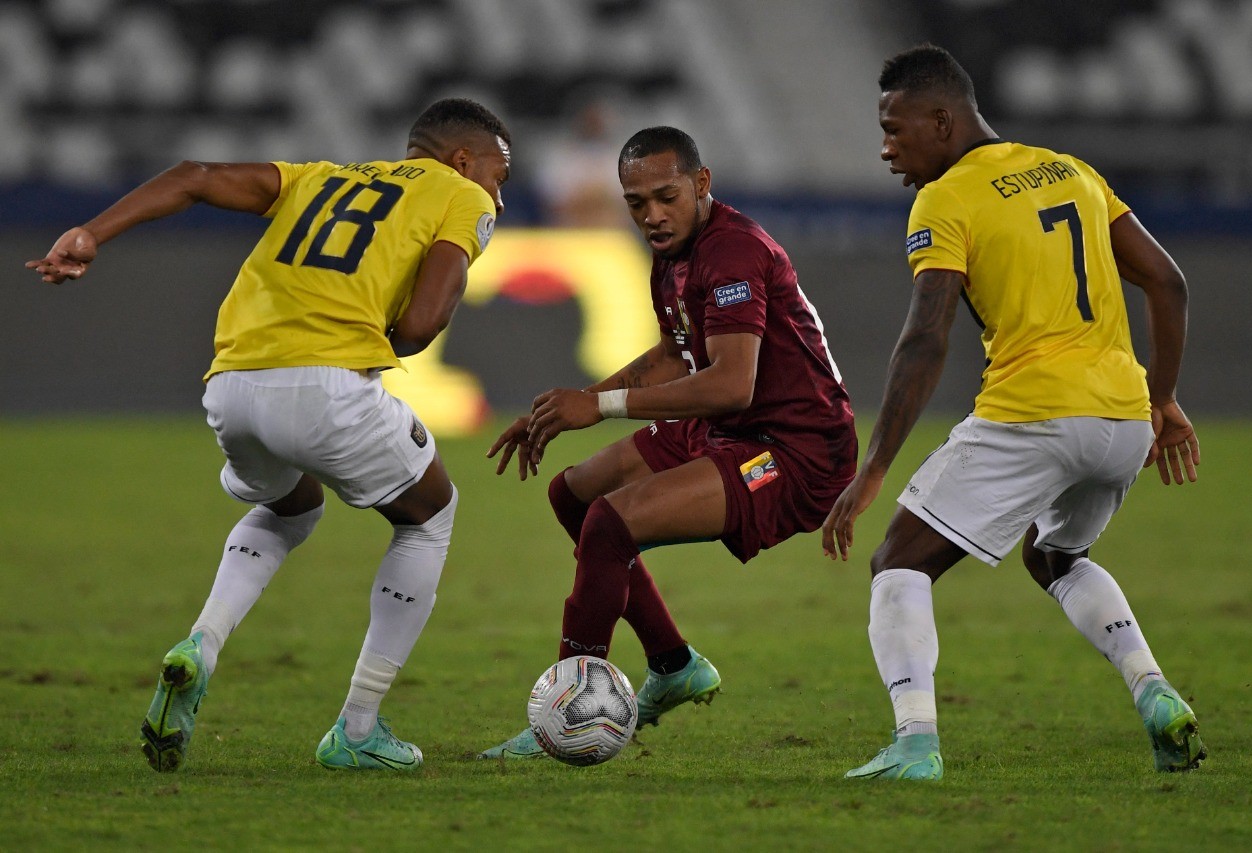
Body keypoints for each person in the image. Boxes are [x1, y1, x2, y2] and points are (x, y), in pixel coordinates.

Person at [26, 98, 512, 773]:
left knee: (293, 502)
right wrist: (378, 339)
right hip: (327, 383)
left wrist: (91, 233)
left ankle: (202, 642)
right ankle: (358, 727)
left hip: (230, 383)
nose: (500, 192)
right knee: (430, 513)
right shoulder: (462, 196)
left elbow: (194, 174)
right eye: (499, 173)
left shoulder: (320, 176)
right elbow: (426, 323)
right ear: (464, 160)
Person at [821, 44, 1206, 781]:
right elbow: (1168, 282)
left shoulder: (947, 197)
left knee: (897, 561)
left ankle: (914, 744)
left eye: (897, 130)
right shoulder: (1072, 170)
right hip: (1123, 419)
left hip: (1034, 411)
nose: (886, 149)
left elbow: (925, 337)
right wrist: (1160, 400)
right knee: (1055, 554)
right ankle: (1154, 690)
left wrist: (874, 469)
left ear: (943, 119)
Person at [478, 126, 857, 759]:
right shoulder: (675, 253)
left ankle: (570, 712)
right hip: (732, 426)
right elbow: (678, 356)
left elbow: (732, 383)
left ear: (701, 184)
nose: (651, 216)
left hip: (795, 448)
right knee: (574, 494)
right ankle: (673, 664)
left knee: (609, 523)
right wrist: (576, 404)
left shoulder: (734, 252)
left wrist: (600, 405)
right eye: (636, 202)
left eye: (666, 196)